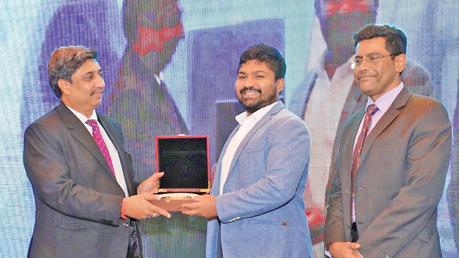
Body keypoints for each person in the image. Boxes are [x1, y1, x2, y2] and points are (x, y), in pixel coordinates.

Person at [288, 0, 435, 254]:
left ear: (375, 8)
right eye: (335, 3)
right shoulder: (303, 89)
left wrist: (336, 222)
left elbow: (409, 176)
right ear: (317, 10)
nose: (347, 9)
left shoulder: (406, 79)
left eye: (357, 1)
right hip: (309, 245)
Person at [23, 46, 170, 258]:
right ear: (65, 85)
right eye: (89, 77)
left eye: (100, 74)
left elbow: (111, 186)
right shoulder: (43, 131)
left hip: (121, 248)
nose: (100, 83)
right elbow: (59, 192)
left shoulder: (111, 126)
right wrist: (123, 205)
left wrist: (137, 190)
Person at [324, 24, 451, 258]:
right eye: (358, 60)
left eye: (373, 58)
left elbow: (419, 195)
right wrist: (334, 244)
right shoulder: (353, 123)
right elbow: (337, 190)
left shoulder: (426, 112)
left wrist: (361, 251)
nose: (363, 67)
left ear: (399, 63)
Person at [181, 43, 314, 258]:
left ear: (280, 84)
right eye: (242, 77)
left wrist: (218, 205)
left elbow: (277, 188)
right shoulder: (240, 128)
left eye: (259, 76)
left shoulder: (289, 125)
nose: (248, 84)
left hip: (272, 250)